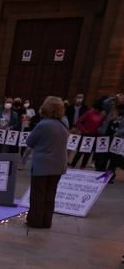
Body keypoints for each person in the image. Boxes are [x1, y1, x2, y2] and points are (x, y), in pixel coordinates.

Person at [25, 96, 69, 229]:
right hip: (58, 165)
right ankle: (46, 221)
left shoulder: (43, 124)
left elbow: (30, 142)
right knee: (50, 195)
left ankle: (35, 221)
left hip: (43, 164)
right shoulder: (63, 124)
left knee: (38, 193)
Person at [70, 99, 106, 169]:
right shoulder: (89, 113)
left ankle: (83, 166)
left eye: (99, 110)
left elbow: (102, 125)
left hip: (95, 135)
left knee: (89, 152)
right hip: (86, 134)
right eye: (97, 110)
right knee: (80, 150)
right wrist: (84, 130)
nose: (98, 111)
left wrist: (100, 133)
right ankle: (72, 165)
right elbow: (78, 122)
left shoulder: (102, 116)